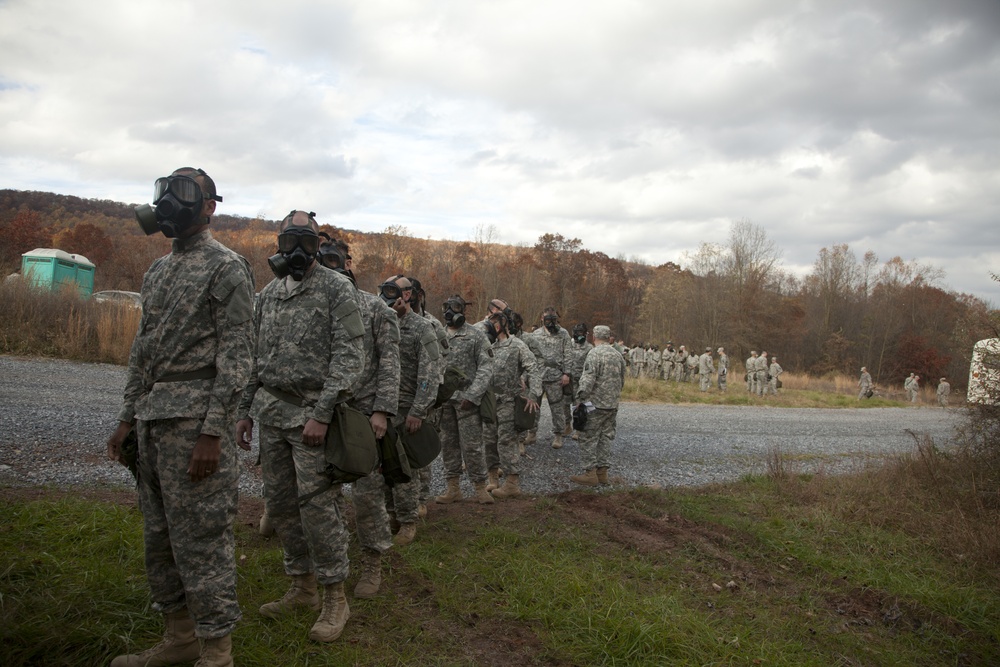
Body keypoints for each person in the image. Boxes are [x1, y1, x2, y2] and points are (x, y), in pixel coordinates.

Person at [106, 167, 255, 666]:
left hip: (195, 426)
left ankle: (217, 651)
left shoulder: (227, 267)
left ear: (210, 206)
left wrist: (213, 433)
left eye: (185, 192)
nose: (170, 199)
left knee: (202, 539)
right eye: (164, 190)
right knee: (160, 535)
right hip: (153, 422)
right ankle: (180, 636)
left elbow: (237, 356)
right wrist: (128, 416)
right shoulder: (157, 271)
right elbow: (142, 350)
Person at [235, 211, 366, 643]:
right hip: (272, 416)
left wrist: (323, 412)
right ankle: (302, 587)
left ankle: (334, 598)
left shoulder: (336, 289)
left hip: (312, 419)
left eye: (306, 244)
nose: (297, 253)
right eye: (289, 243)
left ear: (317, 246)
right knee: (283, 506)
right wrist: (244, 411)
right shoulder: (269, 294)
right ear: (278, 244)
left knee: (319, 510)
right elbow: (256, 357)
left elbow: (351, 358)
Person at [340, 261, 402, 600]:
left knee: (367, 494)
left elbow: (390, 363)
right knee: (322, 494)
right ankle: (328, 565)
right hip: (323, 413)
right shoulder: (314, 302)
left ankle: (372, 561)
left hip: (364, 413)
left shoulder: (375, 307)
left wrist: (381, 410)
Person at [381, 275, 439, 544]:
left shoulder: (421, 328)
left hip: (407, 408)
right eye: (388, 290)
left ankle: (407, 521)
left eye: (400, 291)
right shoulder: (381, 321)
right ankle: (390, 514)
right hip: (382, 408)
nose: (395, 296)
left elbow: (429, 372)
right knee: (382, 467)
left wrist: (419, 410)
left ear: (410, 295)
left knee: (405, 468)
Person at [435, 295, 495, 504]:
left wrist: (473, 395)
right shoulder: (437, 333)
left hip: (467, 401)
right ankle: (453, 488)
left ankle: (480, 487)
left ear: (464, 310)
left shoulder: (476, 335)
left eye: (456, 306)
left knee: (472, 445)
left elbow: (487, 367)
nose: (450, 311)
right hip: (444, 401)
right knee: (448, 444)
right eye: (447, 307)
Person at [483, 311, 542, 499]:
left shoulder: (516, 345)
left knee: (506, 441)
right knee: (489, 440)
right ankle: (493, 478)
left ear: (501, 324)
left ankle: (512, 482)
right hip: (490, 402)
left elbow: (533, 368)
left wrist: (533, 394)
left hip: (509, 401)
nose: (489, 325)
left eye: (492, 322)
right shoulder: (488, 345)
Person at [571, 325, 626, 486]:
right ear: (609, 338)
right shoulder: (618, 354)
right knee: (606, 437)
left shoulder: (594, 354)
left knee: (587, 437)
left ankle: (590, 473)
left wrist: (580, 398)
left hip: (595, 404)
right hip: (612, 404)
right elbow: (622, 379)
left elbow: (588, 379)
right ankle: (602, 473)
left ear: (593, 337)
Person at [526, 307, 573, 449]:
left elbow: (568, 354)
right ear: (542, 319)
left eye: (553, 319)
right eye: (547, 319)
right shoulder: (535, 335)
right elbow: (529, 355)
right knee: (533, 406)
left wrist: (567, 373)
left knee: (557, 407)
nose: (550, 322)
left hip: (556, 377)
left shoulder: (563, 334)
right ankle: (532, 433)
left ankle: (558, 435)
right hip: (538, 376)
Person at [568, 324, 594, 439]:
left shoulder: (589, 348)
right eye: (577, 332)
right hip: (568, 378)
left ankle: (578, 429)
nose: (579, 335)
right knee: (563, 403)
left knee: (578, 403)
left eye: (582, 332)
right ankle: (565, 425)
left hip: (581, 380)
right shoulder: (569, 345)